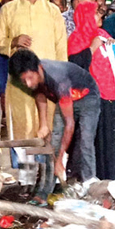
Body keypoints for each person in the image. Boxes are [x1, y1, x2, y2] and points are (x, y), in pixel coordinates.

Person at [9, 49, 100, 205]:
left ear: (38, 69)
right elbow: (39, 93)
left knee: (85, 141)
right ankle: (43, 193)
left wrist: (59, 161)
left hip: (87, 97)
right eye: (25, 81)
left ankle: (89, 187)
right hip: (64, 99)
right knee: (53, 145)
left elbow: (69, 124)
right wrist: (43, 124)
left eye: (30, 78)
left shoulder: (58, 78)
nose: (28, 84)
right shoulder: (33, 76)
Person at [0, 0, 67, 144]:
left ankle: (47, 170)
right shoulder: (8, 10)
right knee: (21, 127)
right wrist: (13, 42)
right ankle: (24, 170)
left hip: (48, 78)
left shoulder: (53, 11)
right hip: (20, 81)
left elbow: (61, 47)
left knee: (48, 127)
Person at [68, 1, 115, 181]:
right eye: (95, 13)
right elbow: (76, 68)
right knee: (97, 141)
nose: (100, 16)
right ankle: (100, 178)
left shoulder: (103, 34)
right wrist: (92, 47)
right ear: (85, 16)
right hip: (94, 98)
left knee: (114, 140)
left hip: (113, 95)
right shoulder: (76, 38)